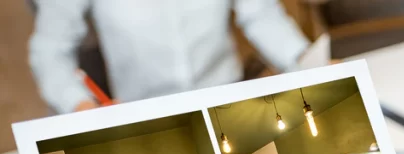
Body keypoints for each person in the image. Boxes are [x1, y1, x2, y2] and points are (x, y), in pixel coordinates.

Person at [28, 0, 311, 114]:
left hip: (229, 101)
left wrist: (309, 62)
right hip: (140, 116)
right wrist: (80, 105)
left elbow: (262, 16)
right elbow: (49, 51)